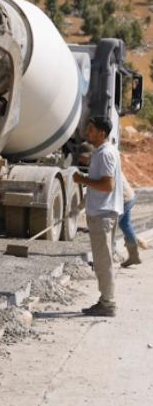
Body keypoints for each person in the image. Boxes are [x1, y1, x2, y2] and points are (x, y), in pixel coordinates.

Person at [73, 118, 123, 317]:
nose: (87, 132)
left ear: (102, 133)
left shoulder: (105, 154)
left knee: (103, 262)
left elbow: (107, 185)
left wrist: (81, 179)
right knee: (104, 260)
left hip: (103, 215)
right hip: (104, 213)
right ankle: (106, 301)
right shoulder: (105, 152)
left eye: (92, 129)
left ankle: (107, 304)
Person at [119, 172, 143, 267]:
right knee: (125, 224)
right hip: (129, 196)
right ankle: (134, 256)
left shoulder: (102, 164)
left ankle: (109, 256)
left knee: (109, 227)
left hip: (123, 199)